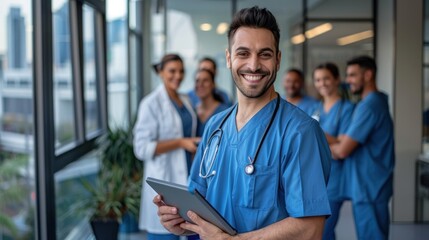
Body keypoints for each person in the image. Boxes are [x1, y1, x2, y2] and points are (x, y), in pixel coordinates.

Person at [154, 6, 332, 239]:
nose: (254, 65)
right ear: (229, 59)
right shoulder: (215, 127)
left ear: (278, 60)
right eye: (243, 53)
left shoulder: (300, 132)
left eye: (265, 54)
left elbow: (310, 228)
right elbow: (197, 198)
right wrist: (180, 220)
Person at [133, 53, 201, 240]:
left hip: (189, 178)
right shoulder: (150, 103)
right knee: (166, 232)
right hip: (165, 179)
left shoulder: (186, 100)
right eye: (172, 71)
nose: (177, 76)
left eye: (181, 71)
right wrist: (180, 143)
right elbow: (141, 148)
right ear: (160, 72)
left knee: (193, 230)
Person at [328, 56, 395, 240]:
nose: (347, 80)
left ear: (368, 74)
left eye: (352, 75)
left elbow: (342, 150)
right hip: (371, 186)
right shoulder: (375, 102)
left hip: (369, 188)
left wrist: (317, 136)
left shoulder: (369, 107)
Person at [311, 62, 355, 240]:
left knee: (324, 230)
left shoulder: (347, 109)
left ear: (337, 80)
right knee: (317, 231)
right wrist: (333, 140)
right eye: (318, 80)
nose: (322, 83)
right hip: (315, 179)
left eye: (326, 78)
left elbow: (342, 149)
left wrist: (317, 135)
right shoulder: (316, 109)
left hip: (335, 179)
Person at [194, 68, 230, 136]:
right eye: (197, 81)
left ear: (213, 84)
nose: (200, 84)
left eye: (205, 80)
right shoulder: (192, 112)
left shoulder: (225, 112)